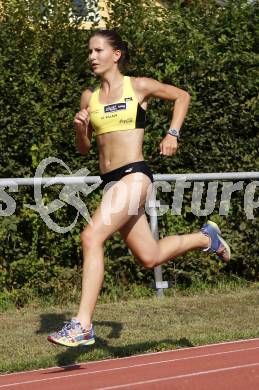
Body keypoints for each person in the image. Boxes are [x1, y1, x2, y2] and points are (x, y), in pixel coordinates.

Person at [47, 29, 230, 347]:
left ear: (115, 55)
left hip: (134, 175)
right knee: (150, 256)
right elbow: (83, 149)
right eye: (89, 51)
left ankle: (83, 324)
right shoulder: (88, 98)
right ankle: (206, 238)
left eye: (98, 50)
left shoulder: (138, 86)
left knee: (91, 236)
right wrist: (80, 129)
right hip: (110, 182)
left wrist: (173, 133)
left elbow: (181, 96)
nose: (91, 56)